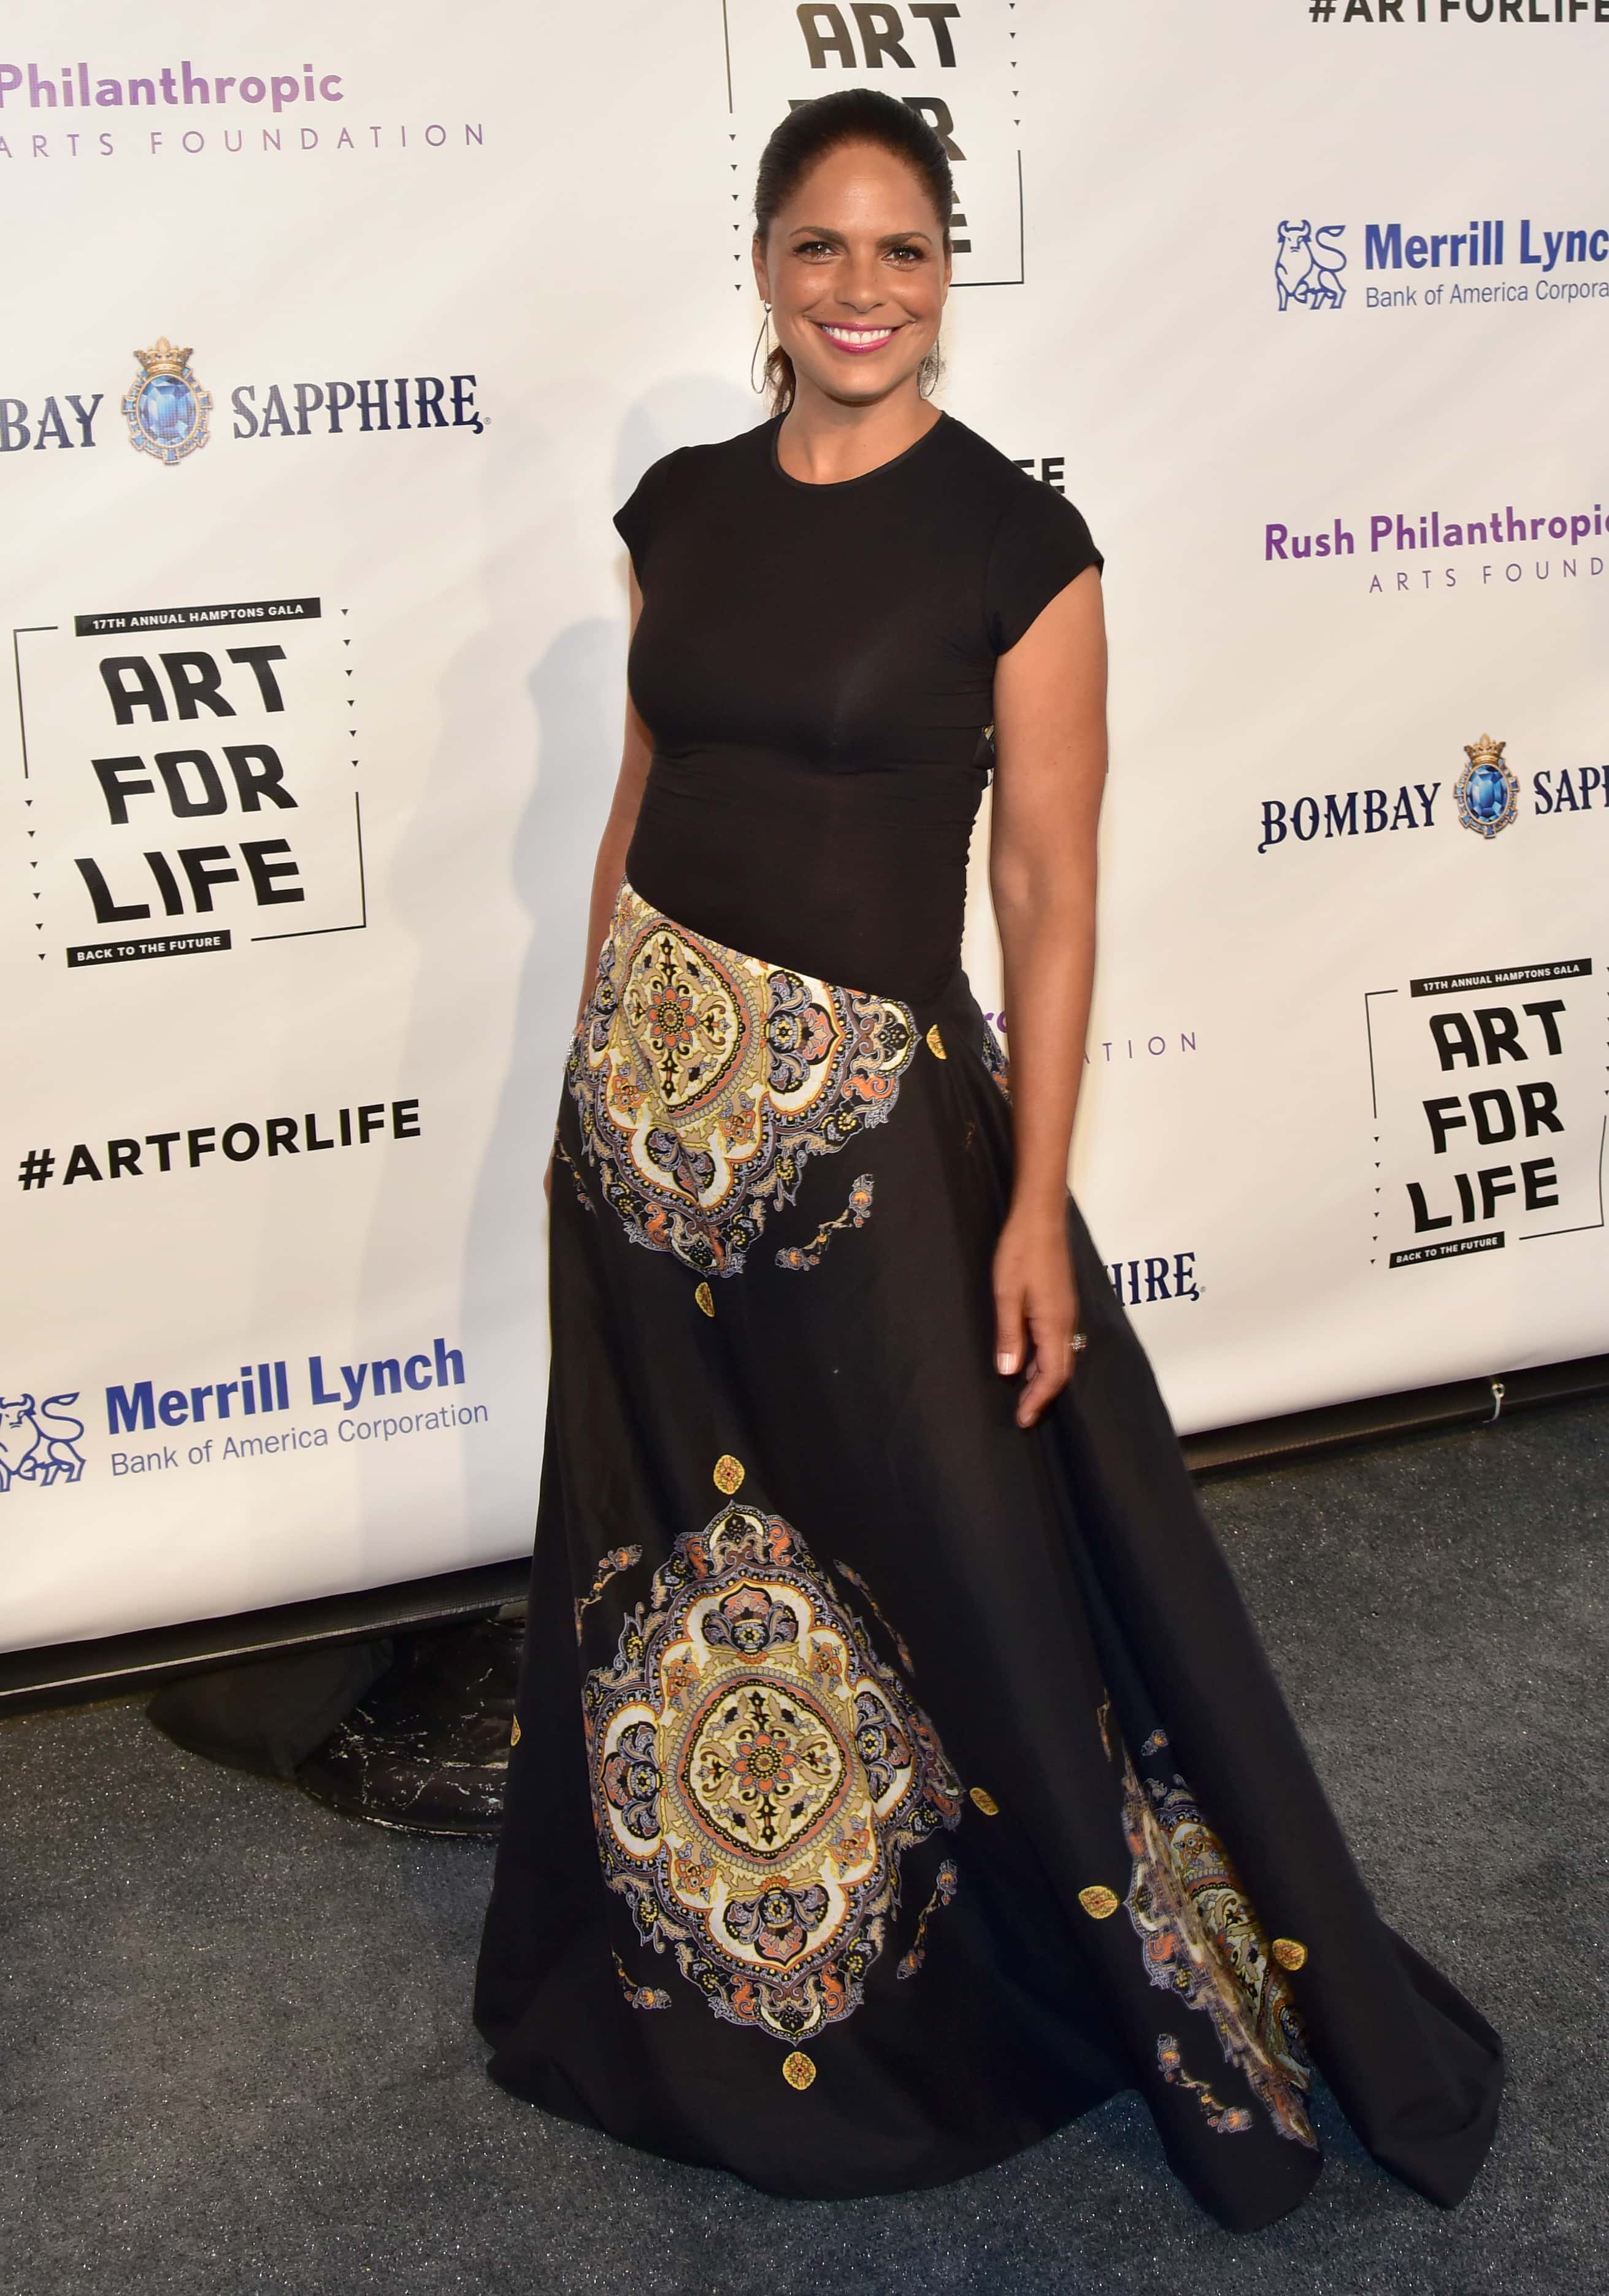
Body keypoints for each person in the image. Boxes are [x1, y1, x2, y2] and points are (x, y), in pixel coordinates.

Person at [474, 89, 1501, 2230]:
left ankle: (983, 1977)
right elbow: (642, 804)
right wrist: (594, 1074)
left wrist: (1032, 1202)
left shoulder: (1019, 550)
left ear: (949, 276)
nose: (860, 289)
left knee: (943, 1561)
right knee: (673, 1569)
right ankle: (716, 1976)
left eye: (904, 251)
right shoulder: (677, 511)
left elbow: (1046, 889)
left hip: (870, 1153)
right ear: (764, 264)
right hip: (647, 1148)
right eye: (821, 246)